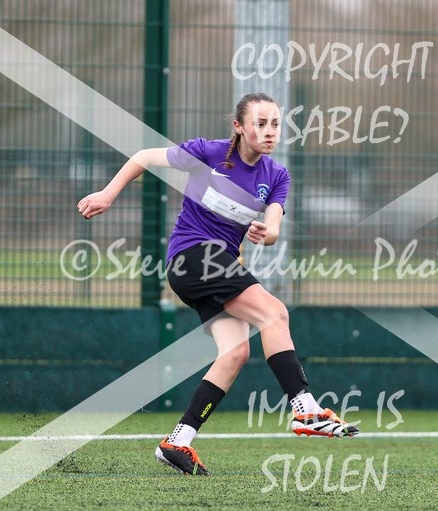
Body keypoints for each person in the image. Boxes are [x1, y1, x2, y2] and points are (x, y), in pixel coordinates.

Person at [77, 92, 358, 476]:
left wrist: (268, 233)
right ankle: (305, 409)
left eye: (275, 123)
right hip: (192, 258)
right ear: (239, 127)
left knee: (235, 354)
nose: (270, 130)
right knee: (274, 313)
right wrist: (108, 194)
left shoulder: (277, 176)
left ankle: (178, 440)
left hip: (215, 267)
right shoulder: (208, 154)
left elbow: (274, 224)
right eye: (260, 123)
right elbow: (144, 157)